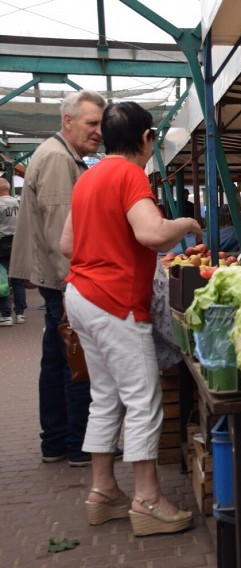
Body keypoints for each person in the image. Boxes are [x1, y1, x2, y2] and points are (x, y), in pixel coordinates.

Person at [60, 101, 201, 536]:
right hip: (113, 300)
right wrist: (186, 224)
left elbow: (67, 243)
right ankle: (148, 500)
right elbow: (152, 234)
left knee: (106, 397)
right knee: (142, 399)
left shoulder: (89, 177)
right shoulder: (128, 174)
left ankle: (103, 492)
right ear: (146, 139)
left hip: (80, 295)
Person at [9, 89, 106, 466]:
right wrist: (73, 287)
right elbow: (62, 233)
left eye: (100, 123)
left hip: (53, 279)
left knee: (57, 359)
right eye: (91, 123)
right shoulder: (56, 160)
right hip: (61, 281)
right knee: (75, 361)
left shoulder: (60, 156)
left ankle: (56, 441)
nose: (98, 131)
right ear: (67, 121)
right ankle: (79, 445)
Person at [0, 177, 27, 325]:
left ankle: (5, 314)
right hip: (18, 243)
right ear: (8, 189)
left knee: (2, 280)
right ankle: (20, 313)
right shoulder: (19, 202)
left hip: (2, 244)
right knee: (18, 280)